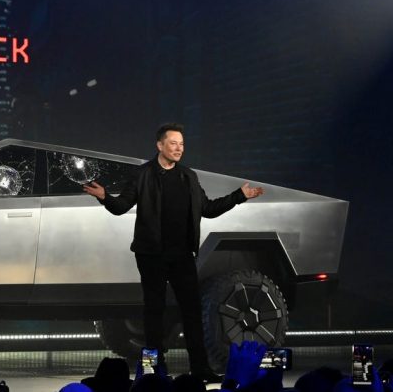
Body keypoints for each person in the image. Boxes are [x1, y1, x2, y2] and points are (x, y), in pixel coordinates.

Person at [83, 123, 264, 382]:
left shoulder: (188, 176)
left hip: (182, 255)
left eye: (182, 144)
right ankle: (153, 370)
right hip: (151, 255)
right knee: (153, 312)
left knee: (192, 311)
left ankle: (200, 369)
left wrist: (239, 196)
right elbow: (121, 206)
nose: (179, 149)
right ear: (160, 145)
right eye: (173, 143)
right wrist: (104, 197)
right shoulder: (143, 174)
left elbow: (208, 209)